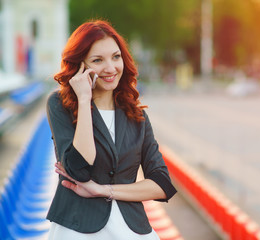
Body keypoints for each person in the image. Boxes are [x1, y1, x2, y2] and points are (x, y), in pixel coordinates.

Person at [46, 20, 177, 239]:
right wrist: (84, 99)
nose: (110, 68)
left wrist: (103, 190)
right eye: (98, 60)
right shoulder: (61, 105)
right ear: (80, 65)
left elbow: (162, 184)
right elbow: (79, 169)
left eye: (116, 57)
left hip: (132, 228)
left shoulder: (136, 116)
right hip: (78, 228)